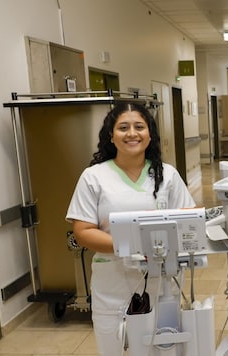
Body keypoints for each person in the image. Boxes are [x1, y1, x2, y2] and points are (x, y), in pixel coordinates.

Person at [66, 102, 195, 355]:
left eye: (139, 127)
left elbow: (187, 220)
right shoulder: (93, 177)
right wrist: (134, 244)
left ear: (150, 134)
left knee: (163, 347)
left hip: (162, 283)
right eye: (123, 127)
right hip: (113, 282)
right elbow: (83, 232)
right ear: (111, 136)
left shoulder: (167, 175)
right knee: (115, 347)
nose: (132, 133)